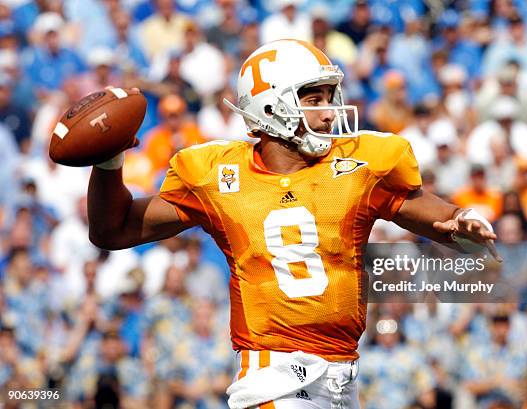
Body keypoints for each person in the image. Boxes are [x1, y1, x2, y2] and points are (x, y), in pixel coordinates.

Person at [86, 39, 500, 409]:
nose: (328, 113)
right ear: (271, 107)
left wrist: (463, 221)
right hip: (274, 373)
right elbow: (113, 230)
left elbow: (431, 214)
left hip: (342, 376)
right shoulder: (217, 175)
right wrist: (108, 161)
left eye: (329, 96)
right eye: (313, 98)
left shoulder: (355, 167)